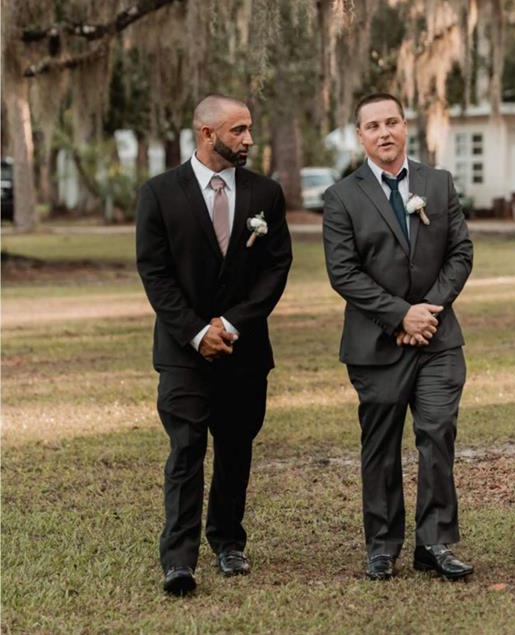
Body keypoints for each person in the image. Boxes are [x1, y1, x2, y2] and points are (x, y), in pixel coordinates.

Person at [136, 95, 292, 596]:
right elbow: (155, 273)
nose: (248, 139)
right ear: (207, 133)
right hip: (184, 349)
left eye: (249, 129)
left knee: (235, 447)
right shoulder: (159, 193)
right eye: (238, 130)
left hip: (244, 348)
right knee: (186, 449)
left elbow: (275, 268)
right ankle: (179, 559)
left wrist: (232, 323)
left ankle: (228, 541)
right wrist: (198, 331)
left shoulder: (265, 193)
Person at [323, 93, 474, 581]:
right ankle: (382, 545)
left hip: (437, 340)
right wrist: (400, 316)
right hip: (376, 345)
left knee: (436, 434)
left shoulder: (438, 183)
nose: (384, 132)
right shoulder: (342, 197)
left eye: (392, 122)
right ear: (360, 135)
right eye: (373, 126)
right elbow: (343, 273)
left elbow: (461, 252)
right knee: (380, 444)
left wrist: (428, 310)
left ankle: (435, 542)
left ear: (406, 126)